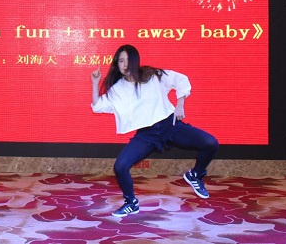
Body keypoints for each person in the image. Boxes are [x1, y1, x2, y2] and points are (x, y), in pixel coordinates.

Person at [90, 44, 219, 218]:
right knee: (120, 166)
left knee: (210, 143)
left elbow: (181, 80)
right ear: (117, 64)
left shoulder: (152, 75)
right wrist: (95, 83)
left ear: (135, 61)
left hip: (170, 126)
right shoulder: (117, 89)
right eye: (121, 61)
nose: (125, 64)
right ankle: (131, 203)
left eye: (128, 60)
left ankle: (195, 175)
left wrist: (180, 104)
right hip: (147, 135)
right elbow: (98, 106)